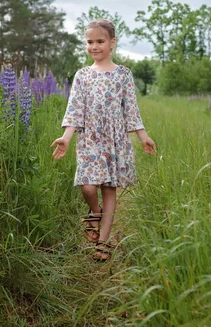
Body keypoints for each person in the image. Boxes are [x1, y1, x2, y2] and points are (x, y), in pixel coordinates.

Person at [51, 19, 156, 262]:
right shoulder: (83, 75)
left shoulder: (123, 74)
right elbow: (75, 108)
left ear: (112, 43)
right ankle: (94, 215)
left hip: (115, 139)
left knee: (109, 190)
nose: (94, 46)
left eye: (100, 41)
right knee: (88, 187)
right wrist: (66, 137)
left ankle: (103, 243)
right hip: (90, 138)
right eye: (90, 42)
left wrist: (143, 136)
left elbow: (131, 109)